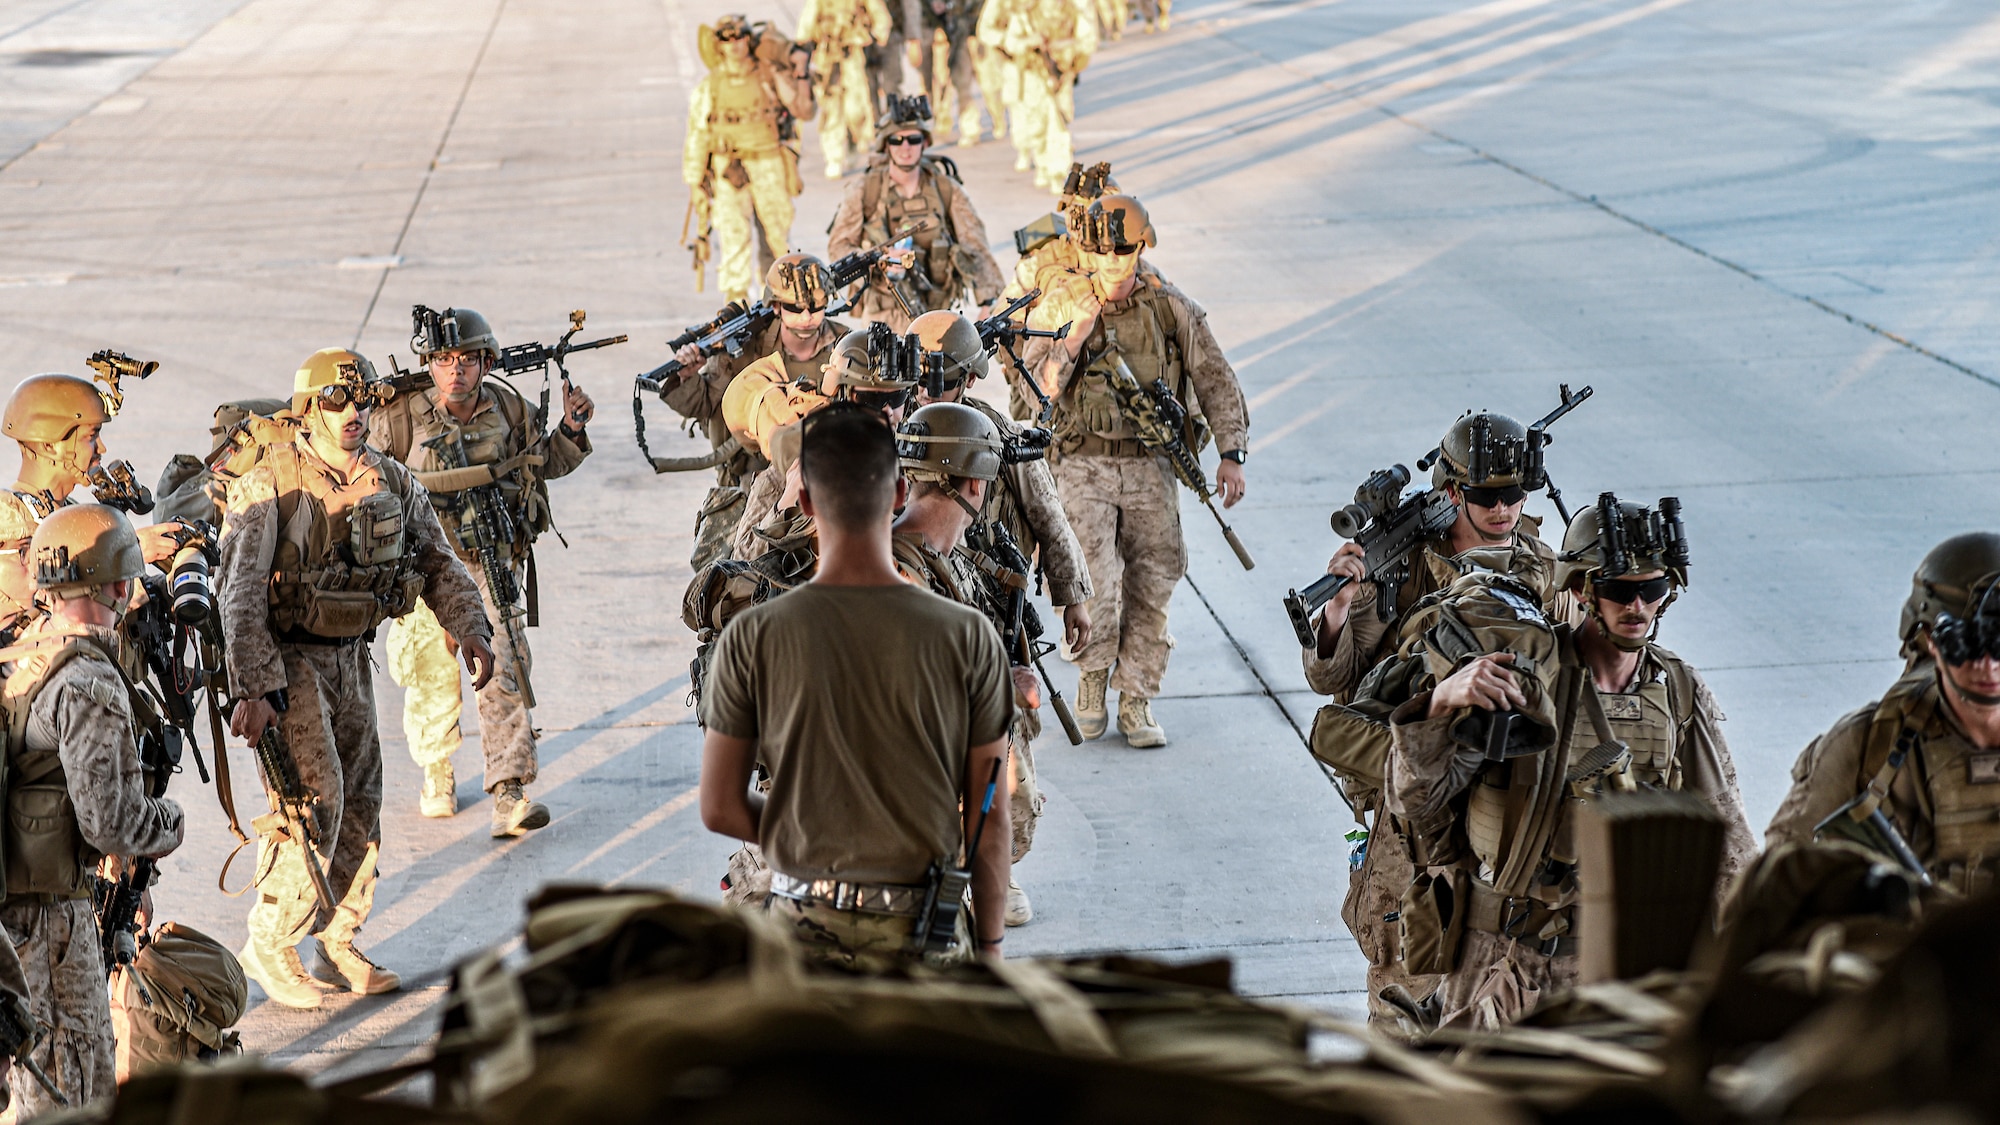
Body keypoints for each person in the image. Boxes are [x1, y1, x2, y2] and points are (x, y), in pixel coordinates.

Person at [1379, 496, 1755, 1030]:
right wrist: (1440, 706)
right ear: (1581, 588)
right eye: (1621, 591)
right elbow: (1414, 799)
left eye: (1654, 590)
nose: (1639, 607)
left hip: (1619, 963)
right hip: (1500, 961)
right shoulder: (1520, 679)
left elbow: (1728, 839)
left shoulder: (1676, 690)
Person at [218, 348, 494, 1009]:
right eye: (338, 403)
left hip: (350, 657)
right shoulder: (271, 484)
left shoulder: (389, 479)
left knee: (363, 804)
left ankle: (338, 935)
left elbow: (437, 561)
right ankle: (272, 935)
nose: (354, 414)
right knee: (315, 801)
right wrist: (253, 687)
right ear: (308, 409)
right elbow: (240, 593)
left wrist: (473, 624)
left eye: (363, 401)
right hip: (291, 662)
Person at [699, 403, 1012, 967]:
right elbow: (987, 816)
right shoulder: (968, 637)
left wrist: (809, 836)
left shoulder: (752, 638)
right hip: (925, 934)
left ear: (804, 503)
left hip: (805, 932)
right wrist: (988, 950)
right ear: (899, 495)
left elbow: (720, 806)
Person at [1301, 410, 1569, 1027]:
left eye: (1514, 494)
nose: (1504, 509)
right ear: (1452, 494)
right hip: (1415, 809)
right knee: (1406, 987)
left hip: (1508, 805)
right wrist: (1340, 610)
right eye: (1486, 496)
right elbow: (1331, 679)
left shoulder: (1541, 564)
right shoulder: (1402, 565)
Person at [1025, 194, 1248, 748]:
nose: (1113, 262)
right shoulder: (1060, 304)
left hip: (1150, 464)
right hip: (1082, 461)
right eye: (1101, 251)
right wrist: (1073, 338)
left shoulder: (1169, 306)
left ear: (1141, 246)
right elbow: (1036, 388)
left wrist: (1230, 451)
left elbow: (1213, 375)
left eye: (1124, 250)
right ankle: (1093, 674)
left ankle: (1138, 697)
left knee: (1155, 576)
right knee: (1093, 579)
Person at [370, 307, 594, 834]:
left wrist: (571, 429)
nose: (455, 371)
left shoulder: (510, 410)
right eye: (444, 360)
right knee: (430, 682)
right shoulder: (399, 418)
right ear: (429, 364)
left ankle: (509, 791)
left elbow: (546, 465)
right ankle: (437, 767)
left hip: (491, 565)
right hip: (422, 577)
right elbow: (361, 475)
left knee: (504, 671)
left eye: (466, 359)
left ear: (486, 362)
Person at [2, 505, 184, 1115]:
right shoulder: (88, 681)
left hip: (14, 920)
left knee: (36, 1083)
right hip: (53, 922)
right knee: (75, 1087)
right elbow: (112, 824)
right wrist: (170, 824)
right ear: (115, 584)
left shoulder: (22, 653)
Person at [909, 311, 1089, 924]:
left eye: (944, 379)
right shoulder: (898, 435)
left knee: (1014, 779)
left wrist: (1073, 595)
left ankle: (998, 870)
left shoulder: (1000, 432)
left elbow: (1048, 514)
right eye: (922, 377)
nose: (931, 390)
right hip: (922, 617)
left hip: (993, 619)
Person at [1767, 532, 2000, 892]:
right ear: (1928, 641)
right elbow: (1779, 880)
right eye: (1963, 644)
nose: (1987, 667)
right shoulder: (1869, 744)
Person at [729, 325, 917, 562]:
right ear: (843, 397)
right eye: (873, 399)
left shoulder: (915, 460)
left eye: (896, 397)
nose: (888, 410)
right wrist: (784, 505)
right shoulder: (796, 464)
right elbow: (741, 560)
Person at [827, 96, 1004, 332]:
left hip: (937, 312)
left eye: (913, 139)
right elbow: (838, 247)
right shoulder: (865, 190)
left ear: (925, 142)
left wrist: (989, 302)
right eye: (896, 140)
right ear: (885, 145)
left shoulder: (945, 188)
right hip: (883, 314)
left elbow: (975, 245)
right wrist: (879, 260)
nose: (905, 147)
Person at [683, 15, 815, 305]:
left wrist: (801, 72)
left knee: (776, 238)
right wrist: (695, 182)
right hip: (728, 169)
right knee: (733, 237)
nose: (734, 45)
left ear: (748, 40)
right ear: (718, 45)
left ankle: (778, 301)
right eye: (726, 39)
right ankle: (737, 305)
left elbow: (804, 108)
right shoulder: (710, 86)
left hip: (768, 163)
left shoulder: (767, 76)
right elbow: (697, 134)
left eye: (739, 37)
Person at [2, 373, 196, 566]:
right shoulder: (9, 518)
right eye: (91, 436)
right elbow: (35, 584)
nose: (102, 448)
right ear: (49, 446)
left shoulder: (70, 513)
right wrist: (125, 552)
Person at [983, 0, 1096, 192]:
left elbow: (1088, 39)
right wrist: (1028, 42)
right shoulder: (1026, 11)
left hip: (1061, 72)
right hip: (1030, 72)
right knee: (1037, 122)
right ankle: (1042, 162)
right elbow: (1003, 37)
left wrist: (1065, 49)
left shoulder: (1070, 8)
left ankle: (1056, 171)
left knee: (1059, 121)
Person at [797, 0, 891, 178]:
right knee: (831, 108)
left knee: (856, 107)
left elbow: (881, 18)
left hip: (854, 54)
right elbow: (805, 25)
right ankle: (834, 157)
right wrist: (804, 48)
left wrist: (876, 38)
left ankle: (854, 140)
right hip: (827, 58)